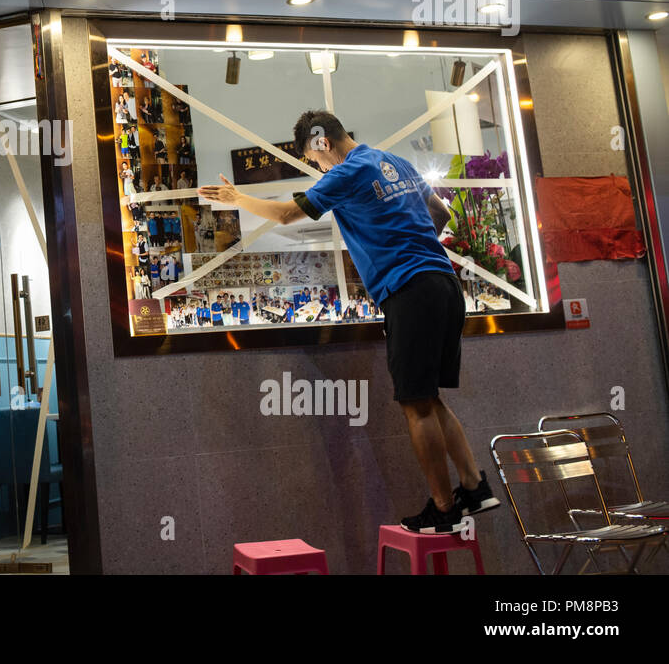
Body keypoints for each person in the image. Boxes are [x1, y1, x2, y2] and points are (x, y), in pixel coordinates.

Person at [199, 109, 500, 534]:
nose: (319, 168)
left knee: (416, 406)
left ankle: (444, 508)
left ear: (322, 143)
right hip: (444, 285)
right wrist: (403, 239)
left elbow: (286, 215)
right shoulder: (396, 163)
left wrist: (236, 200)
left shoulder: (347, 172)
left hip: (410, 291)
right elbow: (440, 214)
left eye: (314, 159)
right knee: (429, 399)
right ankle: (474, 489)